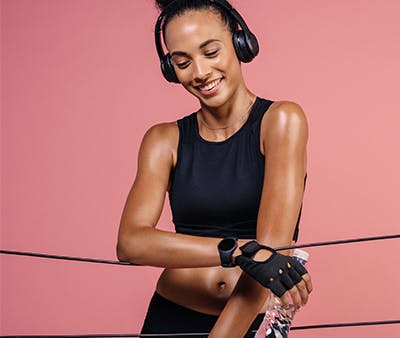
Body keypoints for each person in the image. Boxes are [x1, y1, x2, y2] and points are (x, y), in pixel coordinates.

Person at [116, 0, 312, 337]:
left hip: (247, 316)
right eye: (182, 62)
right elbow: (131, 243)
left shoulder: (281, 121)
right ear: (169, 68)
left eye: (211, 52)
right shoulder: (163, 140)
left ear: (240, 43)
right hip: (169, 315)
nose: (200, 72)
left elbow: (268, 262)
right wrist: (238, 251)